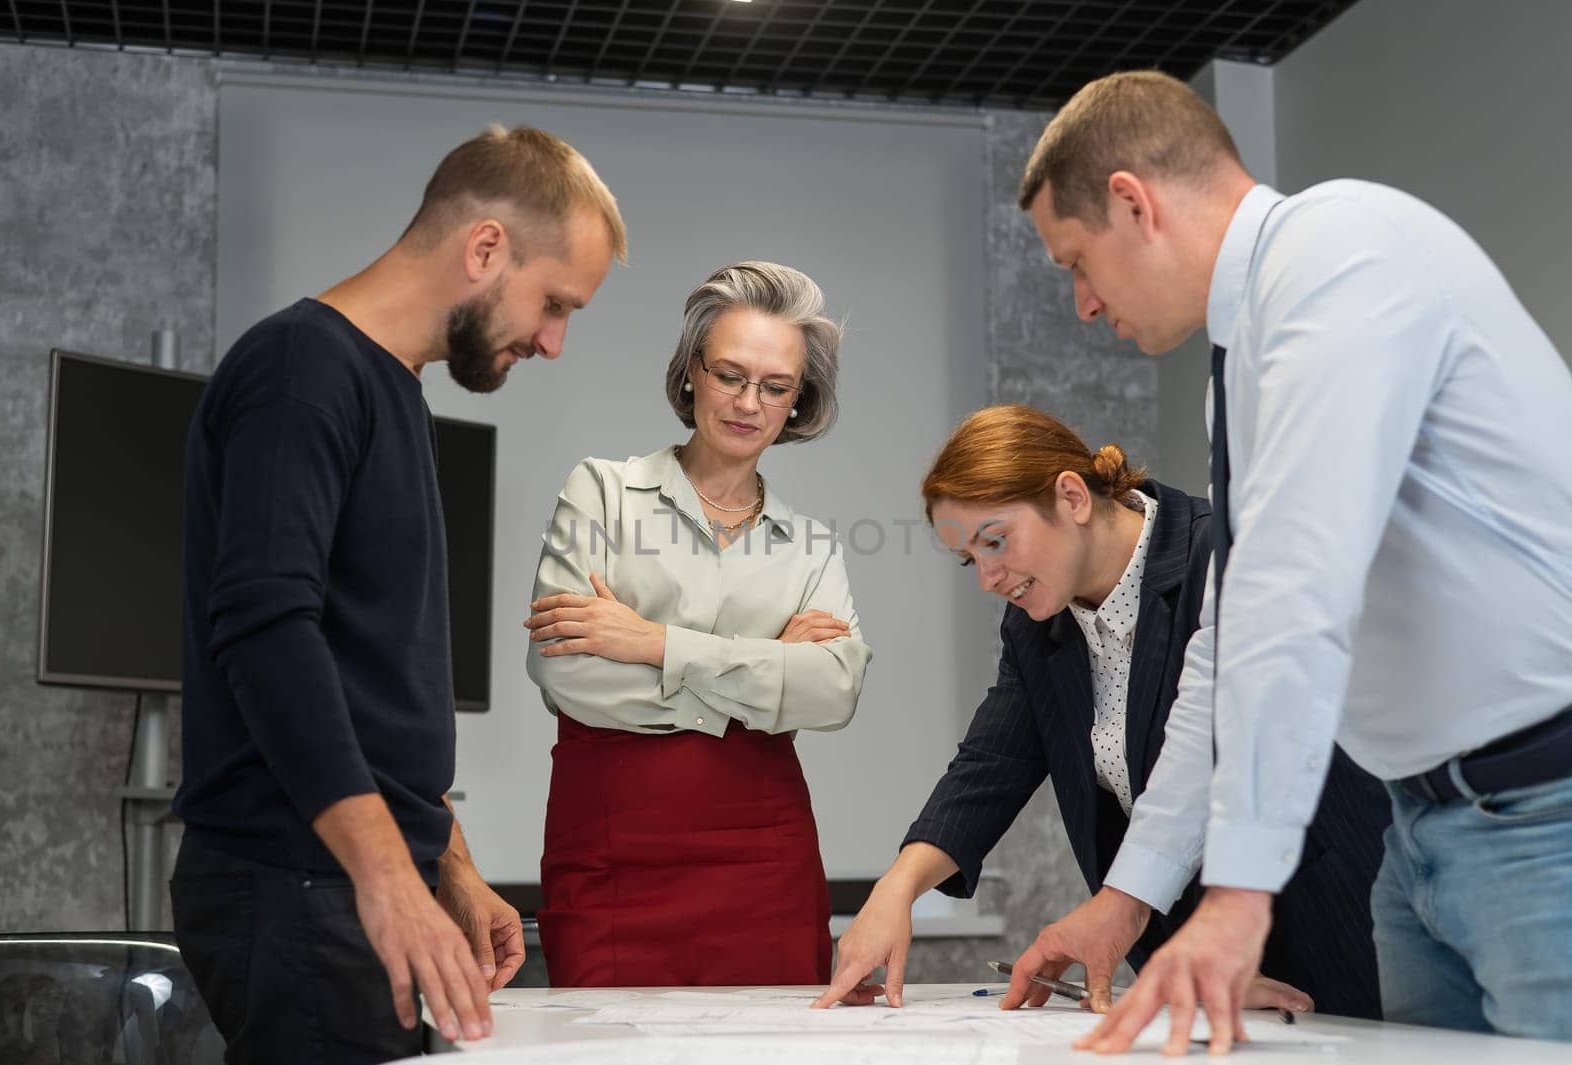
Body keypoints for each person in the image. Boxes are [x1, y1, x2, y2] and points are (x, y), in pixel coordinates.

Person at [1010, 70, 1572, 1053]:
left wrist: (1235, 899)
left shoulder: (1341, 253)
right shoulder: (1245, 364)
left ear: (1133, 203)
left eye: (1076, 262)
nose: (1084, 305)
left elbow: (1295, 589)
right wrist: (1131, 899)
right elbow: (1227, 650)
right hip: (1423, 838)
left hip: (1544, 816)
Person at [172, 125, 626, 1064]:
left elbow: (366, 682)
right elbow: (266, 633)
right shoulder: (301, 373)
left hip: (343, 885)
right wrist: (386, 881)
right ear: (485, 247)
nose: (553, 340)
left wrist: (446, 865)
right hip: (301, 887)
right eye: (554, 303)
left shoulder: (394, 393)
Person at [814, 406, 1387, 1018]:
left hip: (1329, 914)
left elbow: (1241, 761)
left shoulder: (1215, 560)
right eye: (970, 560)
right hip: (1187, 945)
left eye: (996, 542)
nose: (987, 577)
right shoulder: (1040, 621)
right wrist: (896, 890)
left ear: (1071, 497)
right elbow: (991, 763)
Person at [523, 260, 872, 988]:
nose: (749, 401)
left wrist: (652, 642)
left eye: (775, 387)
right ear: (690, 374)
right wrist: (766, 670)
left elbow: (834, 692)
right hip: (610, 855)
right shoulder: (601, 493)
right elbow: (569, 671)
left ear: (797, 401)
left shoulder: (809, 544)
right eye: (730, 375)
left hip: (764, 865)